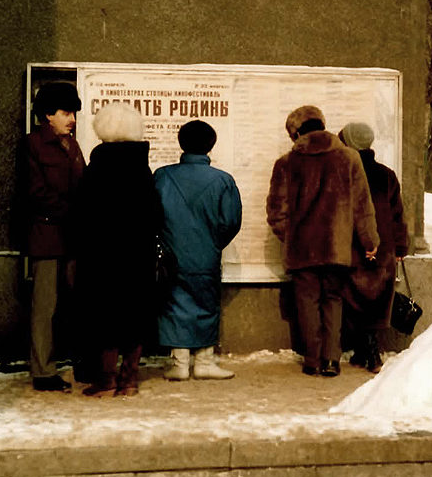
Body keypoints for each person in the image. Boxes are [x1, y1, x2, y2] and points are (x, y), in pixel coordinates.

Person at [266, 106, 379, 377]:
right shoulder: (349, 158)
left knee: (306, 302)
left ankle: (312, 360)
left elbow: (276, 212)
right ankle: (331, 360)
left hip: (302, 249)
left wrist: (290, 235)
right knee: (333, 300)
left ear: (296, 132)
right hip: (337, 247)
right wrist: (369, 240)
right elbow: (362, 207)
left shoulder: (286, 163)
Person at [72, 103, 160, 397]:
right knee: (135, 314)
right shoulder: (141, 166)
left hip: (102, 254)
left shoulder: (98, 167)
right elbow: (154, 213)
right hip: (138, 253)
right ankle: (130, 380)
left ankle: (107, 378)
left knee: (104, 314)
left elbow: (83, 213)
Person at [156, 120, 242, 381]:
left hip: (170, 254)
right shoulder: (223, 180)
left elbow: (153, 215)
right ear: (211, 145)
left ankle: (179, 362)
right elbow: (231, 222)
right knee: (206, 304)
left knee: (173, 304)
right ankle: (204, 361)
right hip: (206, 254)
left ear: (181, 143)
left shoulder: (162, 175)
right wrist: (213, 243)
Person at [16, 82, 86, 392]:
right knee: (45, 307)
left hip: (73, 236)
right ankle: (43, 371)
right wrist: (72, 211)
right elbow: (34, 191)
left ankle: (79, 361)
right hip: (46, 235)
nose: (71, 119)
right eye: (65, 113)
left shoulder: (73, 146)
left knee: (76, 302)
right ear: (48, 115)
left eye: (73, 113)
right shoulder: (32, 144)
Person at [338, 122, 408, 374]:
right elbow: (397, 213)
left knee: (354, 297)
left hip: (355, 244)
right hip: (384, 246)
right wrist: (400, 246)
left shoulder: (345, 172)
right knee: (376, 299)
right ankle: (366, 352)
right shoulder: (386, 174)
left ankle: (369, 351)